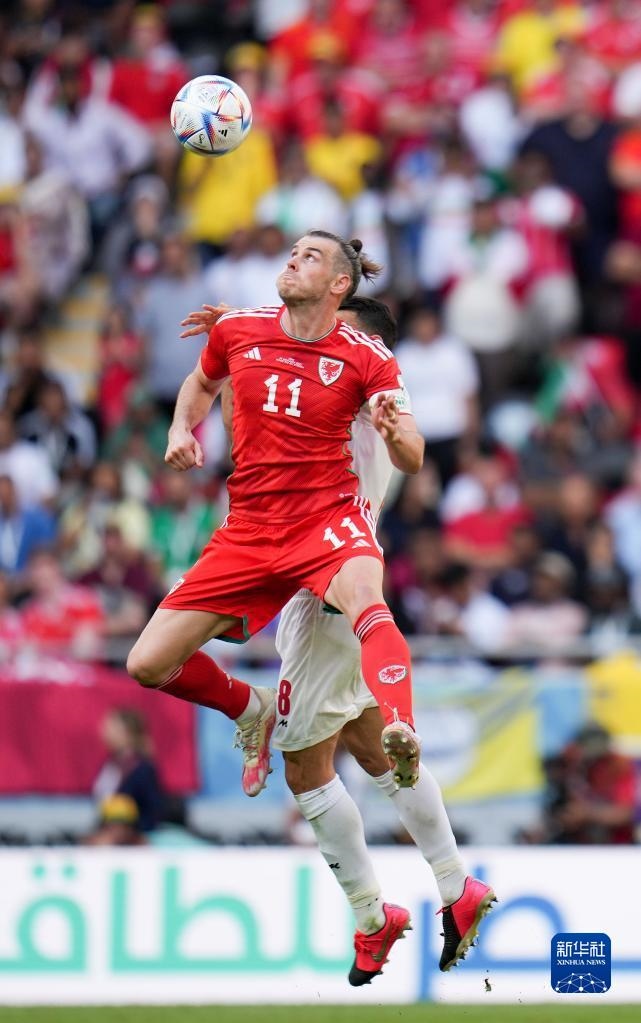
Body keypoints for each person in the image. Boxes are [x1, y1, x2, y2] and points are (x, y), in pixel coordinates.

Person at [126, 231, 425, 980]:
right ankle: (255, 712)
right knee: (147, 663)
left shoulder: (365, 360)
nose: (292, 259)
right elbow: (212, 380)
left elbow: (410, 447)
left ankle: (416, 889)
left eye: (310, 256)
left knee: (326, 758)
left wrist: (399, 433)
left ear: (340, 289)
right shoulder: (244, 328)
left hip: (330, 536)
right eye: (291, 252)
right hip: (252, 533)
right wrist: (181, 425)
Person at [181, 295, 496, 984]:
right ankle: (456, 883)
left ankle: (370, 915)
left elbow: (397, 448)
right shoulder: (342, 399)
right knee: (372, 748)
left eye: (338, 334)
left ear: (370, 347)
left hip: (327, 591)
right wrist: (244, 334)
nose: (318, 344)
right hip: (332, 577)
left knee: (304, 767)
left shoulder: (361, 404)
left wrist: (241, 350)